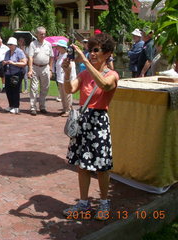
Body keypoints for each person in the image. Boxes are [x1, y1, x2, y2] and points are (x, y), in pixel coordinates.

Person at [61, 33, 119, 220]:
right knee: (82, 166)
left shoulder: (112, 75)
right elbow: (70, 89)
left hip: (99, 122)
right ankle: (84, 203)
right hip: (84, 121)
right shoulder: (85, 73)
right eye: (90, 50)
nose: (92, 53)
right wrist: (68, 71)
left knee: (101, 166)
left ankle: (104, 202)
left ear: (107, 53)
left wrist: (84, 60)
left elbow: (104, 85)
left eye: (96, 50)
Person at [28, 26, 54, 116]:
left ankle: (42, 106)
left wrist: (50, 69)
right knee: (34, 88)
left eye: (44, 34)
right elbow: (30, 57)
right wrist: (30, 69)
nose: (43, 35)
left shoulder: (48, 44)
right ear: (37, 34)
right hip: (35, 67)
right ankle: (33, 107)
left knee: (45, 88)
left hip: (45, 67)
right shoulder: (33, 44)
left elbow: (51, 57)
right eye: (41, 34)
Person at [3, 37, 27, 114]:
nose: (9, 46)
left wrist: (13, 63)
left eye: (11, 44)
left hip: (17, 73)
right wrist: (5, 62)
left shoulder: (19, 52)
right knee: (8, 90)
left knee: (15, 90)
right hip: (8, 73)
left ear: (15, 45)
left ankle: (16, 107)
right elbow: (5, 60)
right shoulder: (7, 52)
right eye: (8, 44)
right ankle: (11, 105)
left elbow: (24, 63)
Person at [54, 39, 76, 117]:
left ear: (63, 47)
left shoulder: (68, 56)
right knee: (62, 95)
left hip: (66, 78)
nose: (56, 47)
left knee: (67, 95)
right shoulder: (59, 55)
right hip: (60, 78)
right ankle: (64, 109)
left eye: (58, 46)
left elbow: (71, 68)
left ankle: (68, 110)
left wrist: (70, 78)